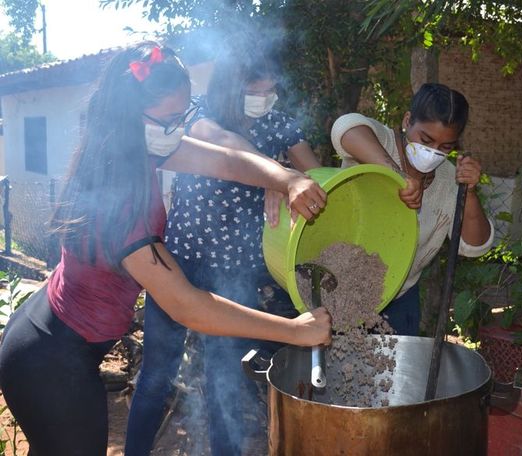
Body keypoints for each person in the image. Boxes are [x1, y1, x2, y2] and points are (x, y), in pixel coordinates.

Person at [0, 42, 331, 456]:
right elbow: (187, 306)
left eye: (183, 116)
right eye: (171, 119)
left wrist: (285, 179)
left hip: (46, 334)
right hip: (50, 361)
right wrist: (294, 331)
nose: (179, 128)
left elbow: (227, 161)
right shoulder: (119, 198)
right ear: (130, 115)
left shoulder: (133, 146)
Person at [125, 46, 321, 455]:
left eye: (271, 90)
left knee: (226, 379)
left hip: (238, 270)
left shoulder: (281, 125)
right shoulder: (195, 116)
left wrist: (291, 179)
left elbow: (315, 174)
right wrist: (275, 173)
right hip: (180, 262)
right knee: (156, 374)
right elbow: (226, 147)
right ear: (234, 86)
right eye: (256, 89)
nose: (264, 99)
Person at [330, 82, 494, 336]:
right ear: (407, 120)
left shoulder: (451, 181)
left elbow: (474, 246)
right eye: (425, 140)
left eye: (446, 147)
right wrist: (396, 175)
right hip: (338, 288)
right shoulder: (381, 140)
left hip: (399, 300)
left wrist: (469, 193)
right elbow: (345, 127)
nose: (433, 152)